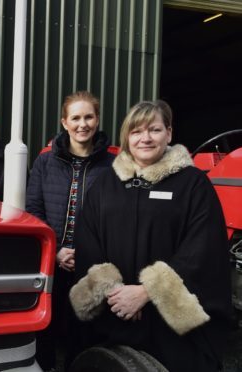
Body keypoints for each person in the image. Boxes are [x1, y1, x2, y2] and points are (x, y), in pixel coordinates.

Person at [69, 100, 231, 371]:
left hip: (171, 331)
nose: (145, 138)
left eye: (154, 130)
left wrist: (148, 291)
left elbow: (204, 250)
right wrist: (114, 291)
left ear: (168, 133)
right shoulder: (105, 184)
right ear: (126, 137)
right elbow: (88, 241)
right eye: (136, 131)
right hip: (114, 314)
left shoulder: (194, 184)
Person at [25, 91, 115, 370]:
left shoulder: (112, 165)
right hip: (52, 260)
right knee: (46, 328)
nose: (82, 124)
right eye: (75, 118)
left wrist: (86, 252)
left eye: (88, 117)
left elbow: (115, 218)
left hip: (90, 264)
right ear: (64, 122)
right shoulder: (45, 161)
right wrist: (55, 251)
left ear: (97, 119)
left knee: (83, 330)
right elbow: (34, 209)